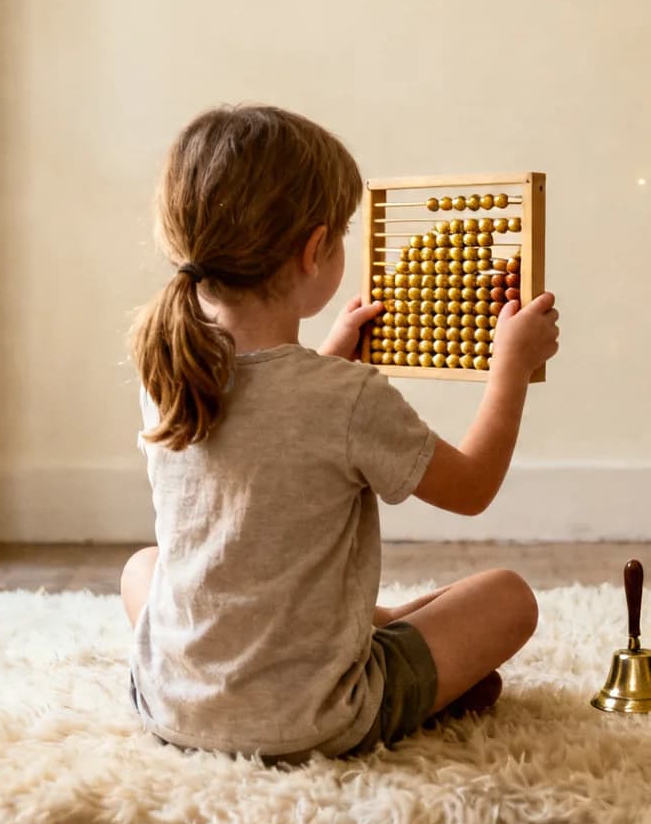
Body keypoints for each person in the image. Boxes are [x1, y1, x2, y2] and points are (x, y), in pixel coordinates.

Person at [120, 104, 559, 761]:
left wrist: (325, 360)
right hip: (319, 716)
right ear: (313, 251)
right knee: (508, 598)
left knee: (144, 567)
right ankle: (395, 660)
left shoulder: (169, 365)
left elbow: (269, 428)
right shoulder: (346, 400)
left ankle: (360, 624)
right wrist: (512, 368)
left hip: (171, 704)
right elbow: (471, 487)